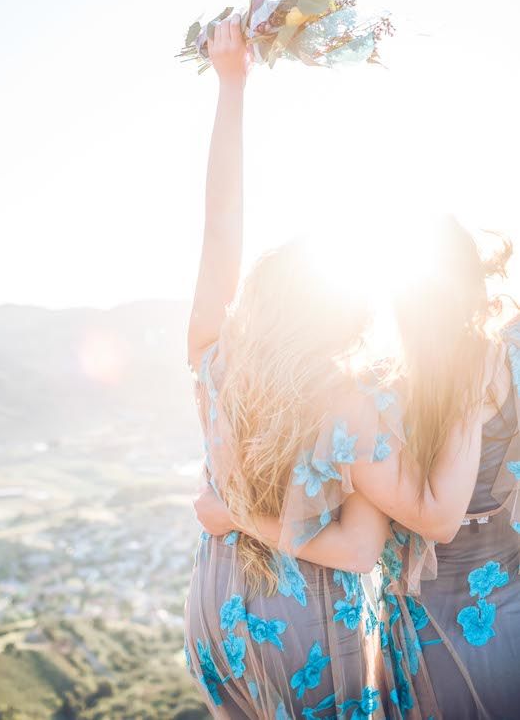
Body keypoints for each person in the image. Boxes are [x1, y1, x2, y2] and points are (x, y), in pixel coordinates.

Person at [184, 16, 499, 719]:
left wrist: (230, 86)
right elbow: (362, 547)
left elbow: (220, 219)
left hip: (215, 612)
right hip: (304, 640)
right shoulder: (351, 400)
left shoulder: (213, 354)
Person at [197, 213, 520, 719]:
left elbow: (216, 235)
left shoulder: (222, 367)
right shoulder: (363, 398)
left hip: (225, 615)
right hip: (334, 628)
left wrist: (231, 512)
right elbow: (371, 543)